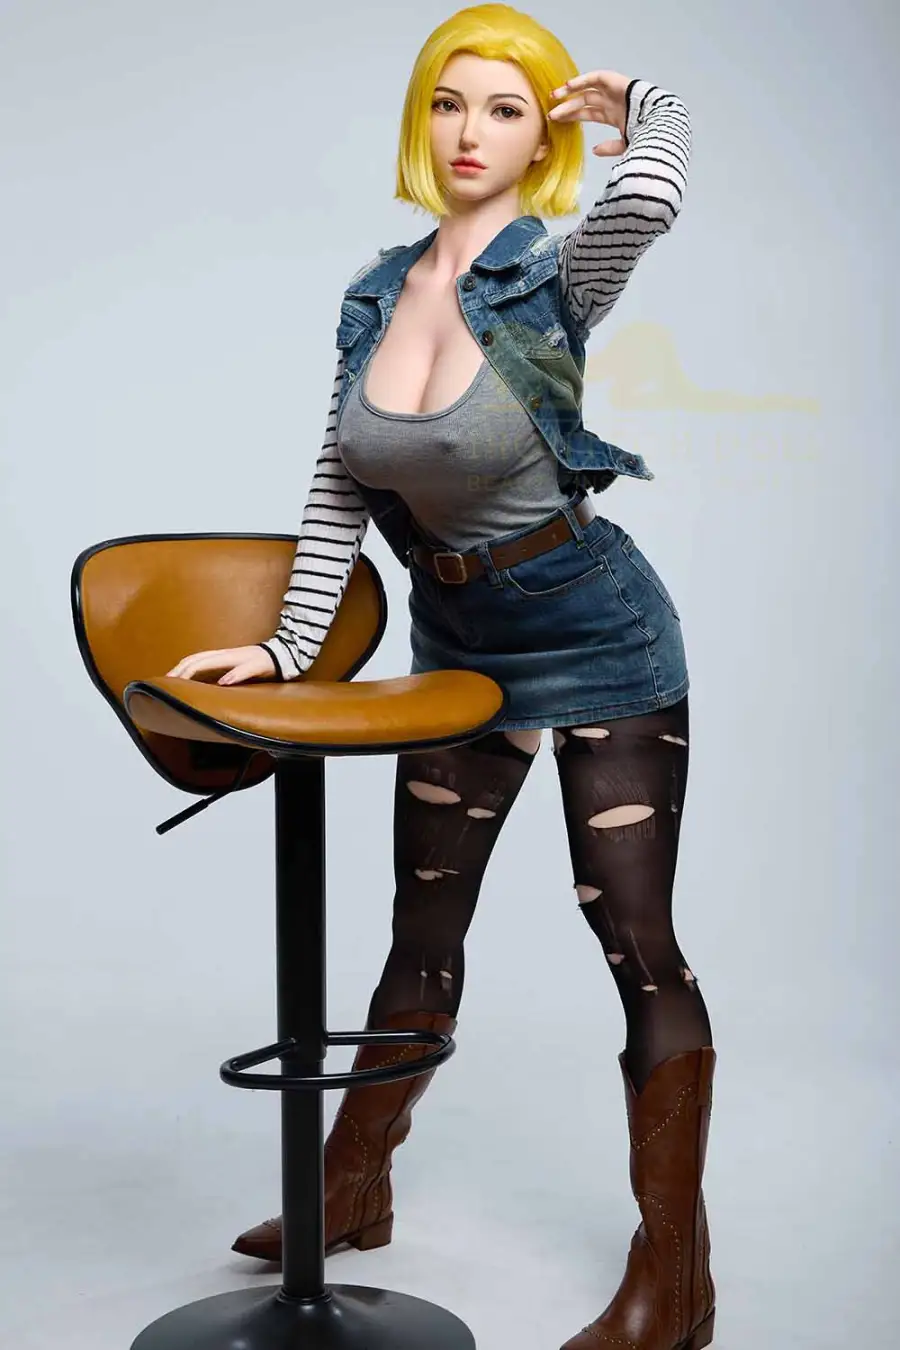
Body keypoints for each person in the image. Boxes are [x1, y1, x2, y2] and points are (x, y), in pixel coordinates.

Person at [166, 6, 716, 1348]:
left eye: (506, 109)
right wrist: (285, 648)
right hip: (460, 641)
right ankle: (351, 1187)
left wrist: (638, 99)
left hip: (597, 633)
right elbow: (338, 483)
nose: (472, 132)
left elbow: (652, 191)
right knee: (423, 930)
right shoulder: (374, 292)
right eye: (449, 103)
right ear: (423, 120)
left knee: (637, 945)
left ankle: (676, 1279)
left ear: (543, 137)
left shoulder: (556, 275)